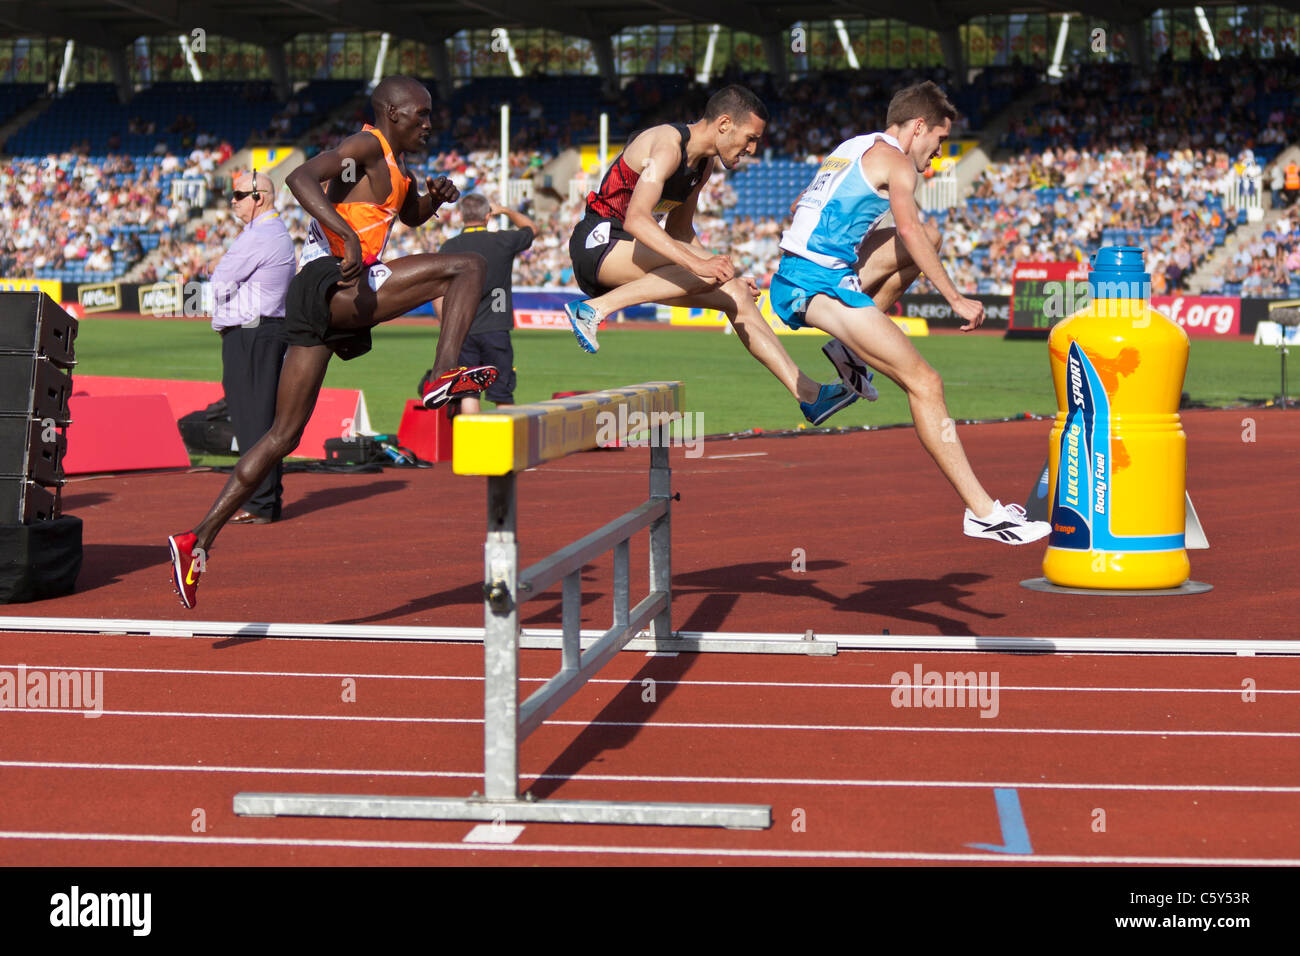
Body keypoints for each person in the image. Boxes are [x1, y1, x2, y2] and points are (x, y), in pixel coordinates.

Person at [167, 75, 496, 609]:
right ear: (393, 113)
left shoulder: (396, 164)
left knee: (282, 435)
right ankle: (443, 375)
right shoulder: (367, 146)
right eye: (422, 116)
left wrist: (431, 201)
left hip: (320, 298)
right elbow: (300, 179)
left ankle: (196, 540)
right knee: (469, 265)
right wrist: (342, 235)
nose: (431, 125)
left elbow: (403, 214)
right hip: (331, 284)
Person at [769, 80, 1050, 545]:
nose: (939, 153)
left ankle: (847, 350)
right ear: (919, 126)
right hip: (814, 284)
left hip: (803, 273)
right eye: (939, 140)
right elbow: (909, 229)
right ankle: (983, 513)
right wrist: (955, 297)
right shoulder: (899, 163)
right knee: (926, 383)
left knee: (933, 238)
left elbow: (802, 204)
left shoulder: (853, 146)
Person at [563, 84, 863, 426]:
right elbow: (637, 219)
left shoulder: (701, 167)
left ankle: (809, 395)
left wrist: (726, 274)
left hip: (631, 249)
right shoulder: (667, 144)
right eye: (750, 138)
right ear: (724, 124)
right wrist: (701, 264)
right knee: (705, 270)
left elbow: (680, 233)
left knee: (735, 295)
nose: (751, 149)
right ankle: (593, 310)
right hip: (598, 241)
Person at [208, 169, 295, 525]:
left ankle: (260, 502)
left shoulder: (260, 235)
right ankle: (264, 499)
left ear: (260, 197)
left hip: (252, 334)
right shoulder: (266, 232)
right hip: (260, 332)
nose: (233, 200)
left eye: (240, 194)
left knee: (253, 420)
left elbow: (217, 284)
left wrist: (218, 272)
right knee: (259, 418)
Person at [423, 193, 537, 413]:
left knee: (468, 391)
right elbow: (532, 229)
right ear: (487, 216)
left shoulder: (449, 247)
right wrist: (505, 210)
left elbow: (438, 293)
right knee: (502, 393)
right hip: (496, 328)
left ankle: (472, 444)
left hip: (462, 329)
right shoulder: (503, 241)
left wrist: (446, 323)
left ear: (461, 216)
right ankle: (504, 445)